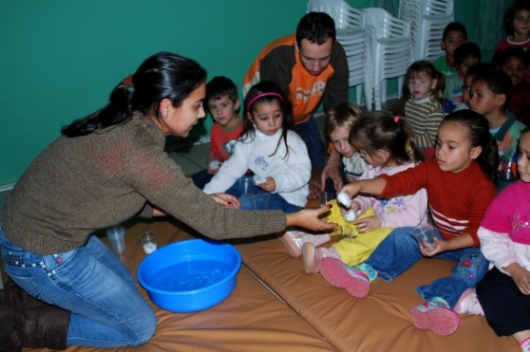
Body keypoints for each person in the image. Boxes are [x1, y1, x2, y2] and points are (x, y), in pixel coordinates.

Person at [0, 52, 336, 349]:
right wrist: (292, 219)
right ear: (165, 106)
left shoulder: (131, 120)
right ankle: (24, 324)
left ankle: (24, 294)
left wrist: (196, 203)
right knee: (138, 327)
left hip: (44, 231)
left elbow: (122, 190)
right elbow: (216, 227)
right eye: (196, 106)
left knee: (127, 292)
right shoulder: (141, 155)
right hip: (40, 250)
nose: (202, 114)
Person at [319, 110, 499, 336]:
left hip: (471, 243)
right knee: (403, 235)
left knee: (475, 263)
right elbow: (398, 183)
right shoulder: (432, 168)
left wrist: (445, 246)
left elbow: (476, 234)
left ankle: (440, 302)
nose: (440, 151)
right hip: (441, 236)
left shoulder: (482, 187)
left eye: (451, 147)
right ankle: (365, 271)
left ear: (474, 152)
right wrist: (360, 187)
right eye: (439, 143)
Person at [462, 116, 530, 352]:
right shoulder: (511, 195)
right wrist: (514, 269)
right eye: (520, 153)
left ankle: (487, 308)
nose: (519, 163)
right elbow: (490, 237)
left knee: (499, 302)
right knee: (491, 288)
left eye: (529, 157)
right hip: (514, 277)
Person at [301, 113, 428, 274]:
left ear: (381, 154)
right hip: (375, 215)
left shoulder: (415, 175)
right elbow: (365, 193)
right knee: (335, 206)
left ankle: (329, 256)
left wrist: (380, 220)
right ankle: (310, 235)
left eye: (364, 153)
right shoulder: (375, 166)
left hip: (397, 226)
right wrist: (357, 205)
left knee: (374, 239)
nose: (362, 157)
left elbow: (413, 216)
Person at [243, 11, 349, 178]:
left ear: (333, 46)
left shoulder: (337, 56)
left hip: (302, 111)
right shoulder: (278, 60)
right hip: (267, 115)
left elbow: (338, 112)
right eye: (308, 58)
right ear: (297, 46)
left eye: (323, 58)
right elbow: (276, 119)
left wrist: (333, 158)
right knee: (274, 168)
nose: (316, 67)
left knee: (319, 165)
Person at [203, 81, 311, 213]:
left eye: (277, 115)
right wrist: (208, 194)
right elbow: (230, 169)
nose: (272, 123)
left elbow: (302, 172)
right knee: (228, 192)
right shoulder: (248, 139)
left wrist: (278, 182)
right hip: (260, 188)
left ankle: (236, 211)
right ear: (251, 117)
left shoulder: (292, 140)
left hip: (288, 198)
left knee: (245, 204)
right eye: (264, 118)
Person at [469, 69, 525, 191]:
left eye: (479, 95)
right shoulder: (472, 126)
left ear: (499, 100)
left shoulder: (519, 134)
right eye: (471, 94)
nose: (471, 100)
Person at [191, 76, 244, 189]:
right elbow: (215, 153)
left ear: (236, 104)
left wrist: (226, 169)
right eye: (213, 107)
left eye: (224, 105)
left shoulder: (247, 129)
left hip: (244, 175)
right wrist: (213, 162)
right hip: (224, 172)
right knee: (197, 179)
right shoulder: (215, 129)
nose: (219, 111)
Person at [307, 102, 368, 199]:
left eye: (347, 140)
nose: (343, 147)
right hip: (351, 179)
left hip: (369, 186)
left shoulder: (370, 152)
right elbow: (333, 152)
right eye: (336, 141)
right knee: (330, 181)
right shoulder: (343, 148)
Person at [402, 60, 445, 159]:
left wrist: (408, 140)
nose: (416, 86)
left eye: (422, 81)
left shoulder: (434, 110)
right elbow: (409, 125)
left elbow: (432, 139)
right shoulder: (409, 103)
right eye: (411, 82)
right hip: (412, 141)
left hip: (428, 148)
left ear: (433, 83)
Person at [493, 47, 530, 126]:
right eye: (509, 67)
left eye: (520, 68)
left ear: (526, 71)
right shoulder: (494, 89)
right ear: (499, 69)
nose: (515, 71)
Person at [443, 42, 482, 113]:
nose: (472, 69)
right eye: (467, 66)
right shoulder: (450, 82)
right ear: (457, 64)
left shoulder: (482, 81)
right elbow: (444, 106)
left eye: (476, 65)